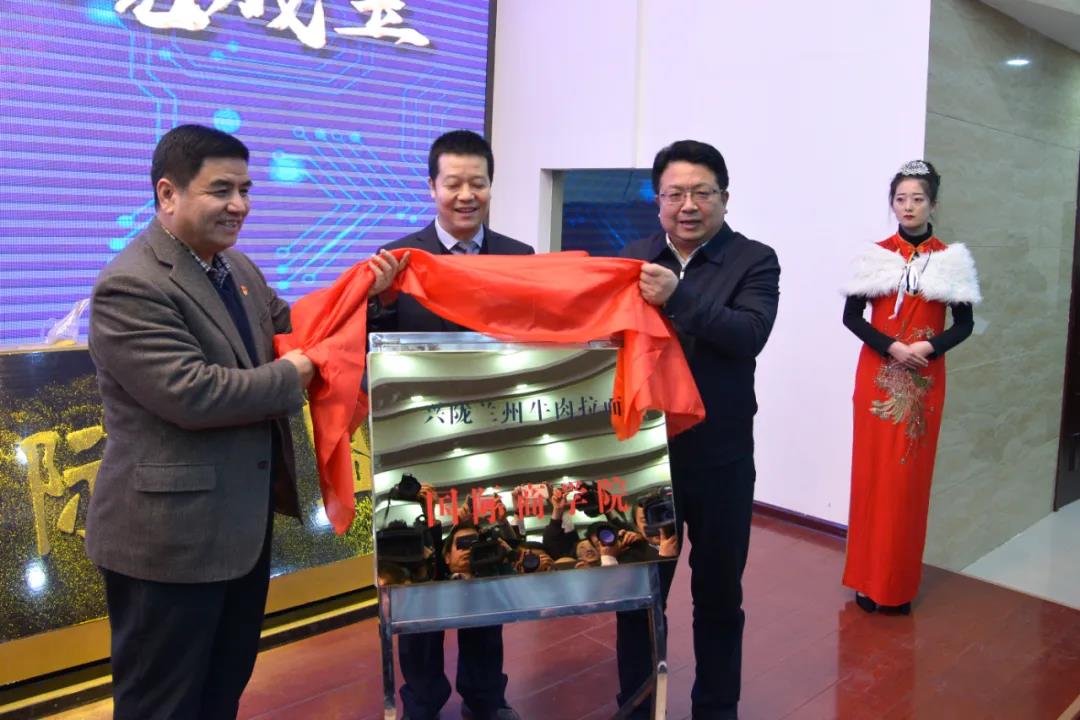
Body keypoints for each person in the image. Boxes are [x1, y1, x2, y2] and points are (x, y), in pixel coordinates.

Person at [85, 124, 403, 719]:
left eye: (246, 189)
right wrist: (301, 371)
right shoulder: (131, 285)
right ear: (167, 194)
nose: (239, 205)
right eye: (221, 190)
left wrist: (367, 296)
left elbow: (299, 328)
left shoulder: (237, 269)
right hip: (168, 544)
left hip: (237, 533)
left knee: (219, 693)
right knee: (162, 704)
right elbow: (194, 394)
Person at [368, 129, 531, 720]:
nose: (466, 195)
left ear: (491, 186)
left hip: (494, 445)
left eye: (477, 183)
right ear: (432, 187)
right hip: (419, 449)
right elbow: (367, 354)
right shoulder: (396, 260)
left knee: (487, 566)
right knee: (421, 574)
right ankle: (423, 698)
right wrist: (381, 301)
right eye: (453, 183)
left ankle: (486, 695)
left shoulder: (520, 259)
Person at [617, 139, 781, 720]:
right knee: (639, 598)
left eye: (701, 193)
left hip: (721, 459)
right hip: (646, 458)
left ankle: (716, 708)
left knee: (718, 596)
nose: (688, 205)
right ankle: (636, 708)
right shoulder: (634, 257)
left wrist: (678, 295)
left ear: (724, 198)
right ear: (658, 201)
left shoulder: (754, 260)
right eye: (675, 194)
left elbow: (748, 334)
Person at [841, 160, 980, 614]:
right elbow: (851, 318)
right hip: (877, 379)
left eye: (917, 198)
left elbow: (965, 325)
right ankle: (866, 579)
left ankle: (897, 585)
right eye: (900, 199)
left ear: (932, 203)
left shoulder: (951, 260)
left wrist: (928, 347)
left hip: (923, 381)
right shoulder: (876, 255)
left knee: (907, 484)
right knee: (871, 475)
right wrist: (892, 347)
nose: (908, 206)